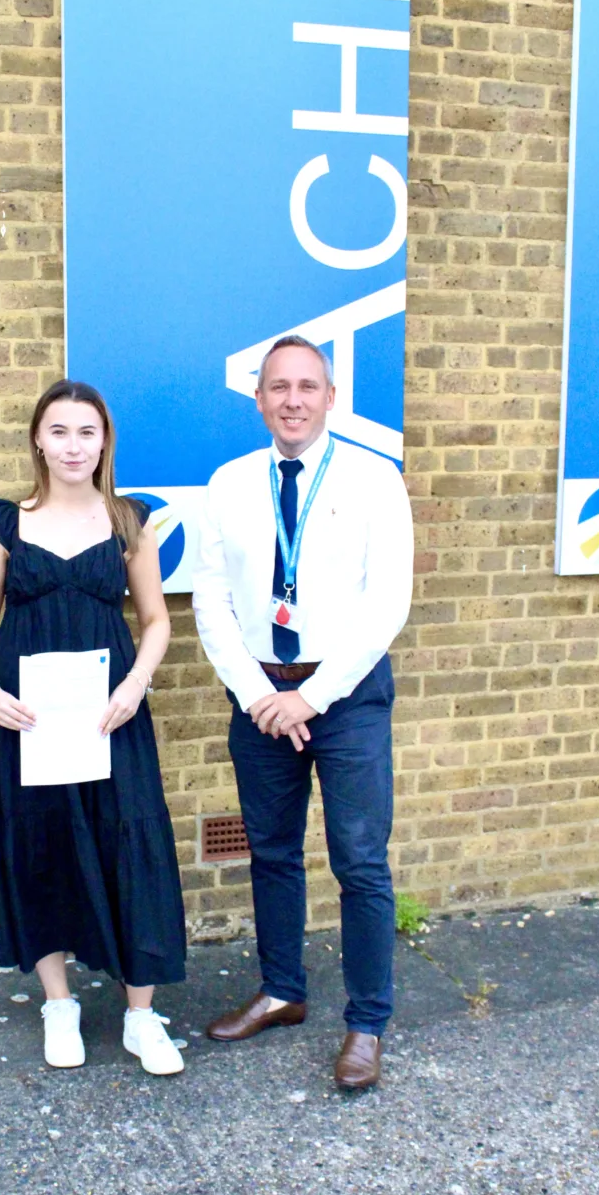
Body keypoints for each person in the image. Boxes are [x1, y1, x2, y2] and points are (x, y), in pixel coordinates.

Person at [191, 336, 413, 1089]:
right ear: (258, 399)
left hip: (344, 699)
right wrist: (260, 696)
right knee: (273, 852)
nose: (292, 400)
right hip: (259, 698)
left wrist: (309, 699)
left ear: (330, 397)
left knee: (359, 863)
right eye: (278, 387)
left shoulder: (376, 479)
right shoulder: (226, 483)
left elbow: (388, 604)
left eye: (307, 386)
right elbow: (211, 600)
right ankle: (283, 991)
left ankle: (367, 1024)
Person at [0, 379, 186, 1076]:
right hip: (25, 721)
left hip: (107, 718)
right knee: (42, 849)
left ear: (103, 441)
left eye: (85, 432)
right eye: (58, 430)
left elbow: (156, 621)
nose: (72, 445)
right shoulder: (4, 524)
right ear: (37, 438)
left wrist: (133, 687)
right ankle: (59, 1005)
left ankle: (141, 1017)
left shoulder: (127, 521)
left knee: (132, 845)